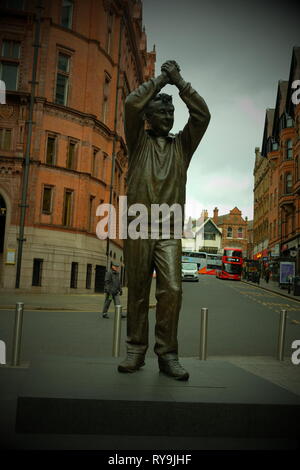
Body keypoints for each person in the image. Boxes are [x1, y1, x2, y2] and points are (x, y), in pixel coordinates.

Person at [118, 60, 210, 380]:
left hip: (169, 228)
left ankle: (167, 354)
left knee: (172, 289)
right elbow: (131, 103)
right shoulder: (138, 142)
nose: (169, 118)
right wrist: (160, 80)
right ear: (147, 117)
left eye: (172, 114)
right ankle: (135, 349)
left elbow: (202, 116)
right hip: (138, 225)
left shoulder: (181, 147)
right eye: (162, 113)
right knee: (139, 290)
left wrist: (180, 83)